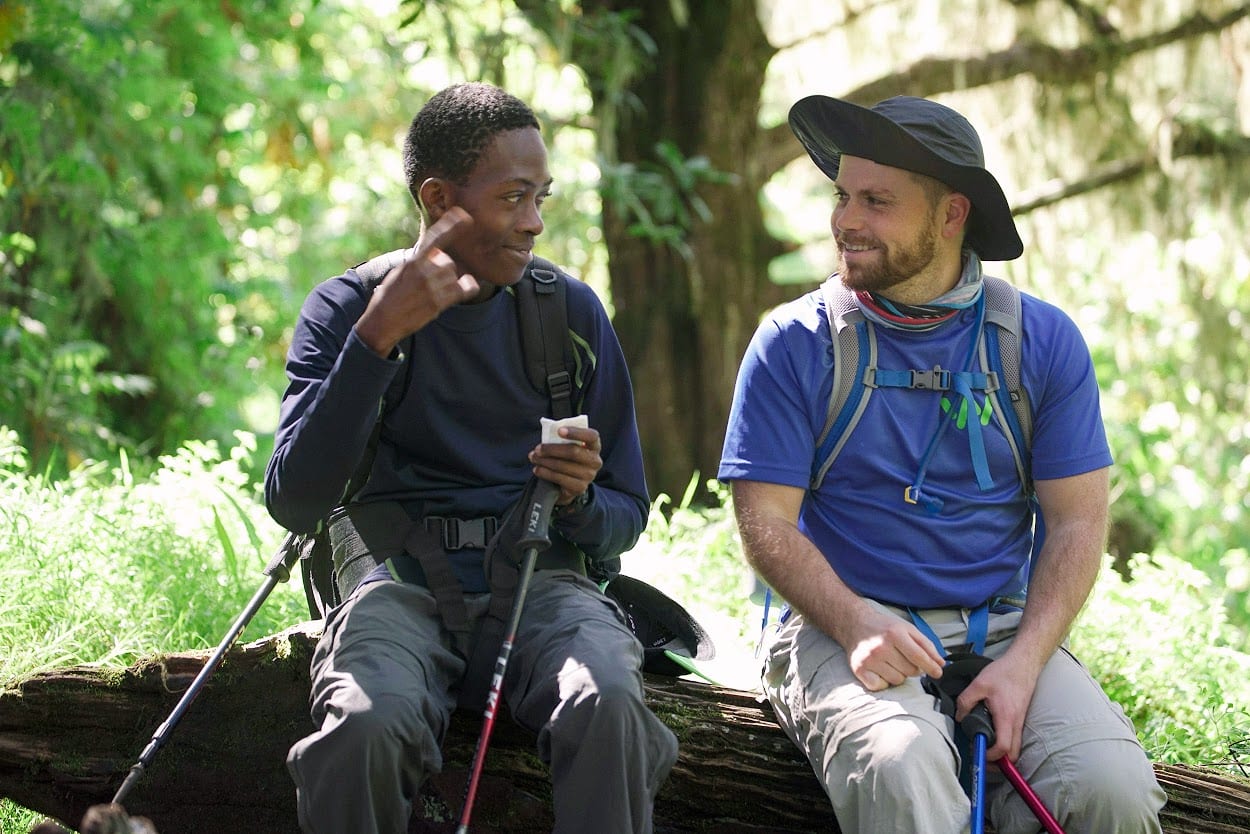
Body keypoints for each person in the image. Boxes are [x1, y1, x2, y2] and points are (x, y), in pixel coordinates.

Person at [718, 94, 1166, 833]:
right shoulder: (796, 341)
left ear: (952, 215)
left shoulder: (1040, 343)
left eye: (876, 201)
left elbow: (1078, 523)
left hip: (1002, 630)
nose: (844, 220)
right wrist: (856, 621)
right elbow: (764, 524)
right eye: (842, 195)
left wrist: (1023, 665)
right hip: (840, 623)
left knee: (1111, 789)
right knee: (902, 770)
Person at [264, 81, 677, 834]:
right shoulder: (346, 309)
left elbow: (625, 518)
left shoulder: (570, 313)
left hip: (543, 585)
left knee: (609, 701)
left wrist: (582, 500)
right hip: (397, 587)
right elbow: (294, 500)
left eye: (541, 196)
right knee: (362, 725)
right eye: (514, 197)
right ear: (437, 199)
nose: (535, 222)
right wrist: (375, 341)